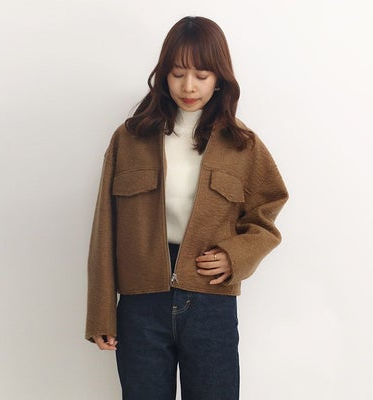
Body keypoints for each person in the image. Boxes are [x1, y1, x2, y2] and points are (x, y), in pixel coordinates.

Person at [85, 16, 288, 400]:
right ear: (164, 75)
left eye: (202, 75)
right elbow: (104, 227)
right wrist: (101, 311)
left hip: (211, 301)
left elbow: (268, 210)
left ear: (219, 78)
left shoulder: (242, 144)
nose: (189, 86)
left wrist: (235, 255)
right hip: (141, 304)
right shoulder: (130, 138)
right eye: (178, 73)